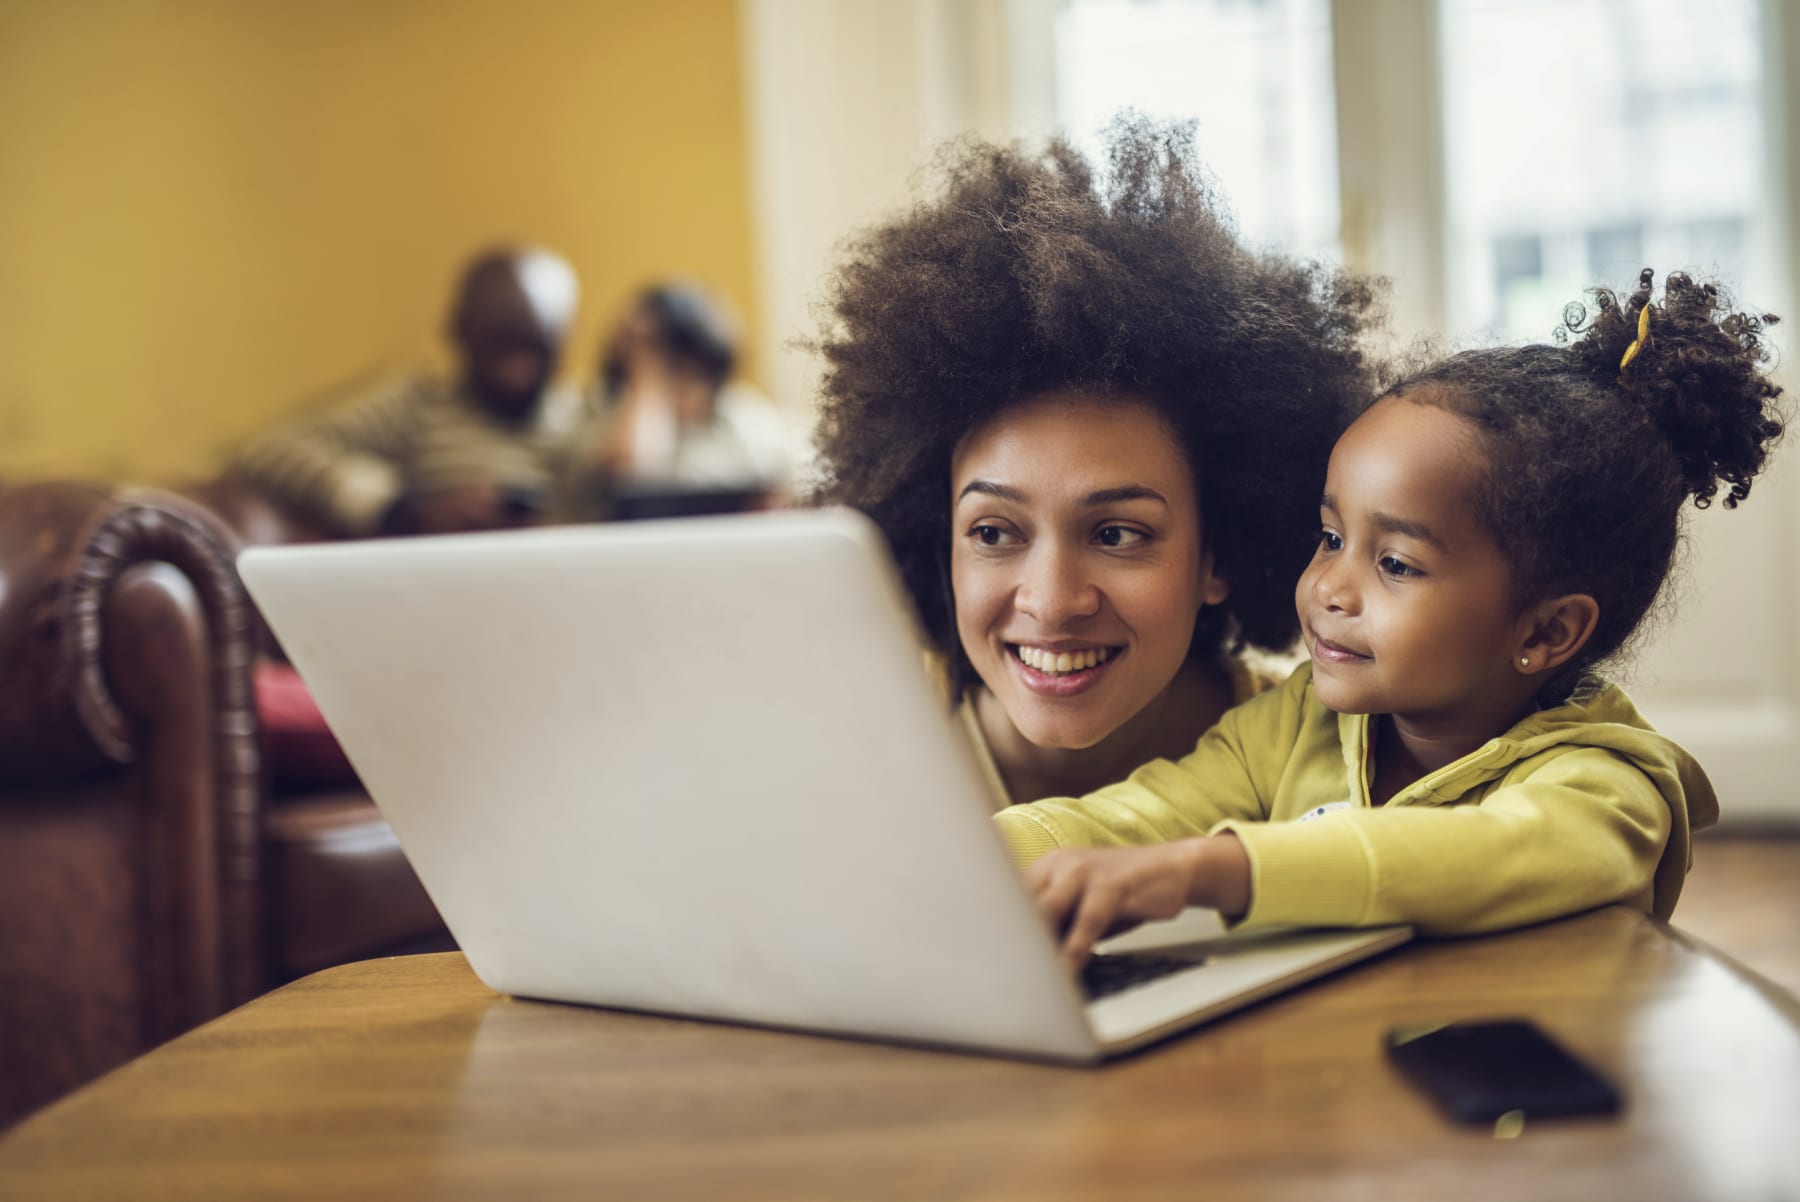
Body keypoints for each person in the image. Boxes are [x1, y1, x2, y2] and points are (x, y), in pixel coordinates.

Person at [1002, 269, 1786, 965]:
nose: (1328, 589)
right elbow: (1140, 815)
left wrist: (1214, 870)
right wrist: (977, 852)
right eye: (1331, 537)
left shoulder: (1607, 790)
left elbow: (1473, 854)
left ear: (1546, 632)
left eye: (1396, 564)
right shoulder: (1292, 724)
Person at [810, 121, 1383, 807]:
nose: (1052, 601)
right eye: (993, 533)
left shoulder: (1333, 773)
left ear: (1219, 557)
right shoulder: (840, 750)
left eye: (1117, 534)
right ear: (940, 545)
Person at [229, 246, 583, 537]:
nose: (517, 374)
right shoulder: (418, 403)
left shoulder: (586, 413)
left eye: (538, 350)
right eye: (500, 347)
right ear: (459, 330)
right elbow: (268, 448)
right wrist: (399, 509)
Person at [577, 282, 795, 518]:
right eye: (667, 373)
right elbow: (632, 474)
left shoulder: (746, 421)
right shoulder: (598, 419)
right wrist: (647, 371)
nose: (681, 390)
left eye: (690, 374)